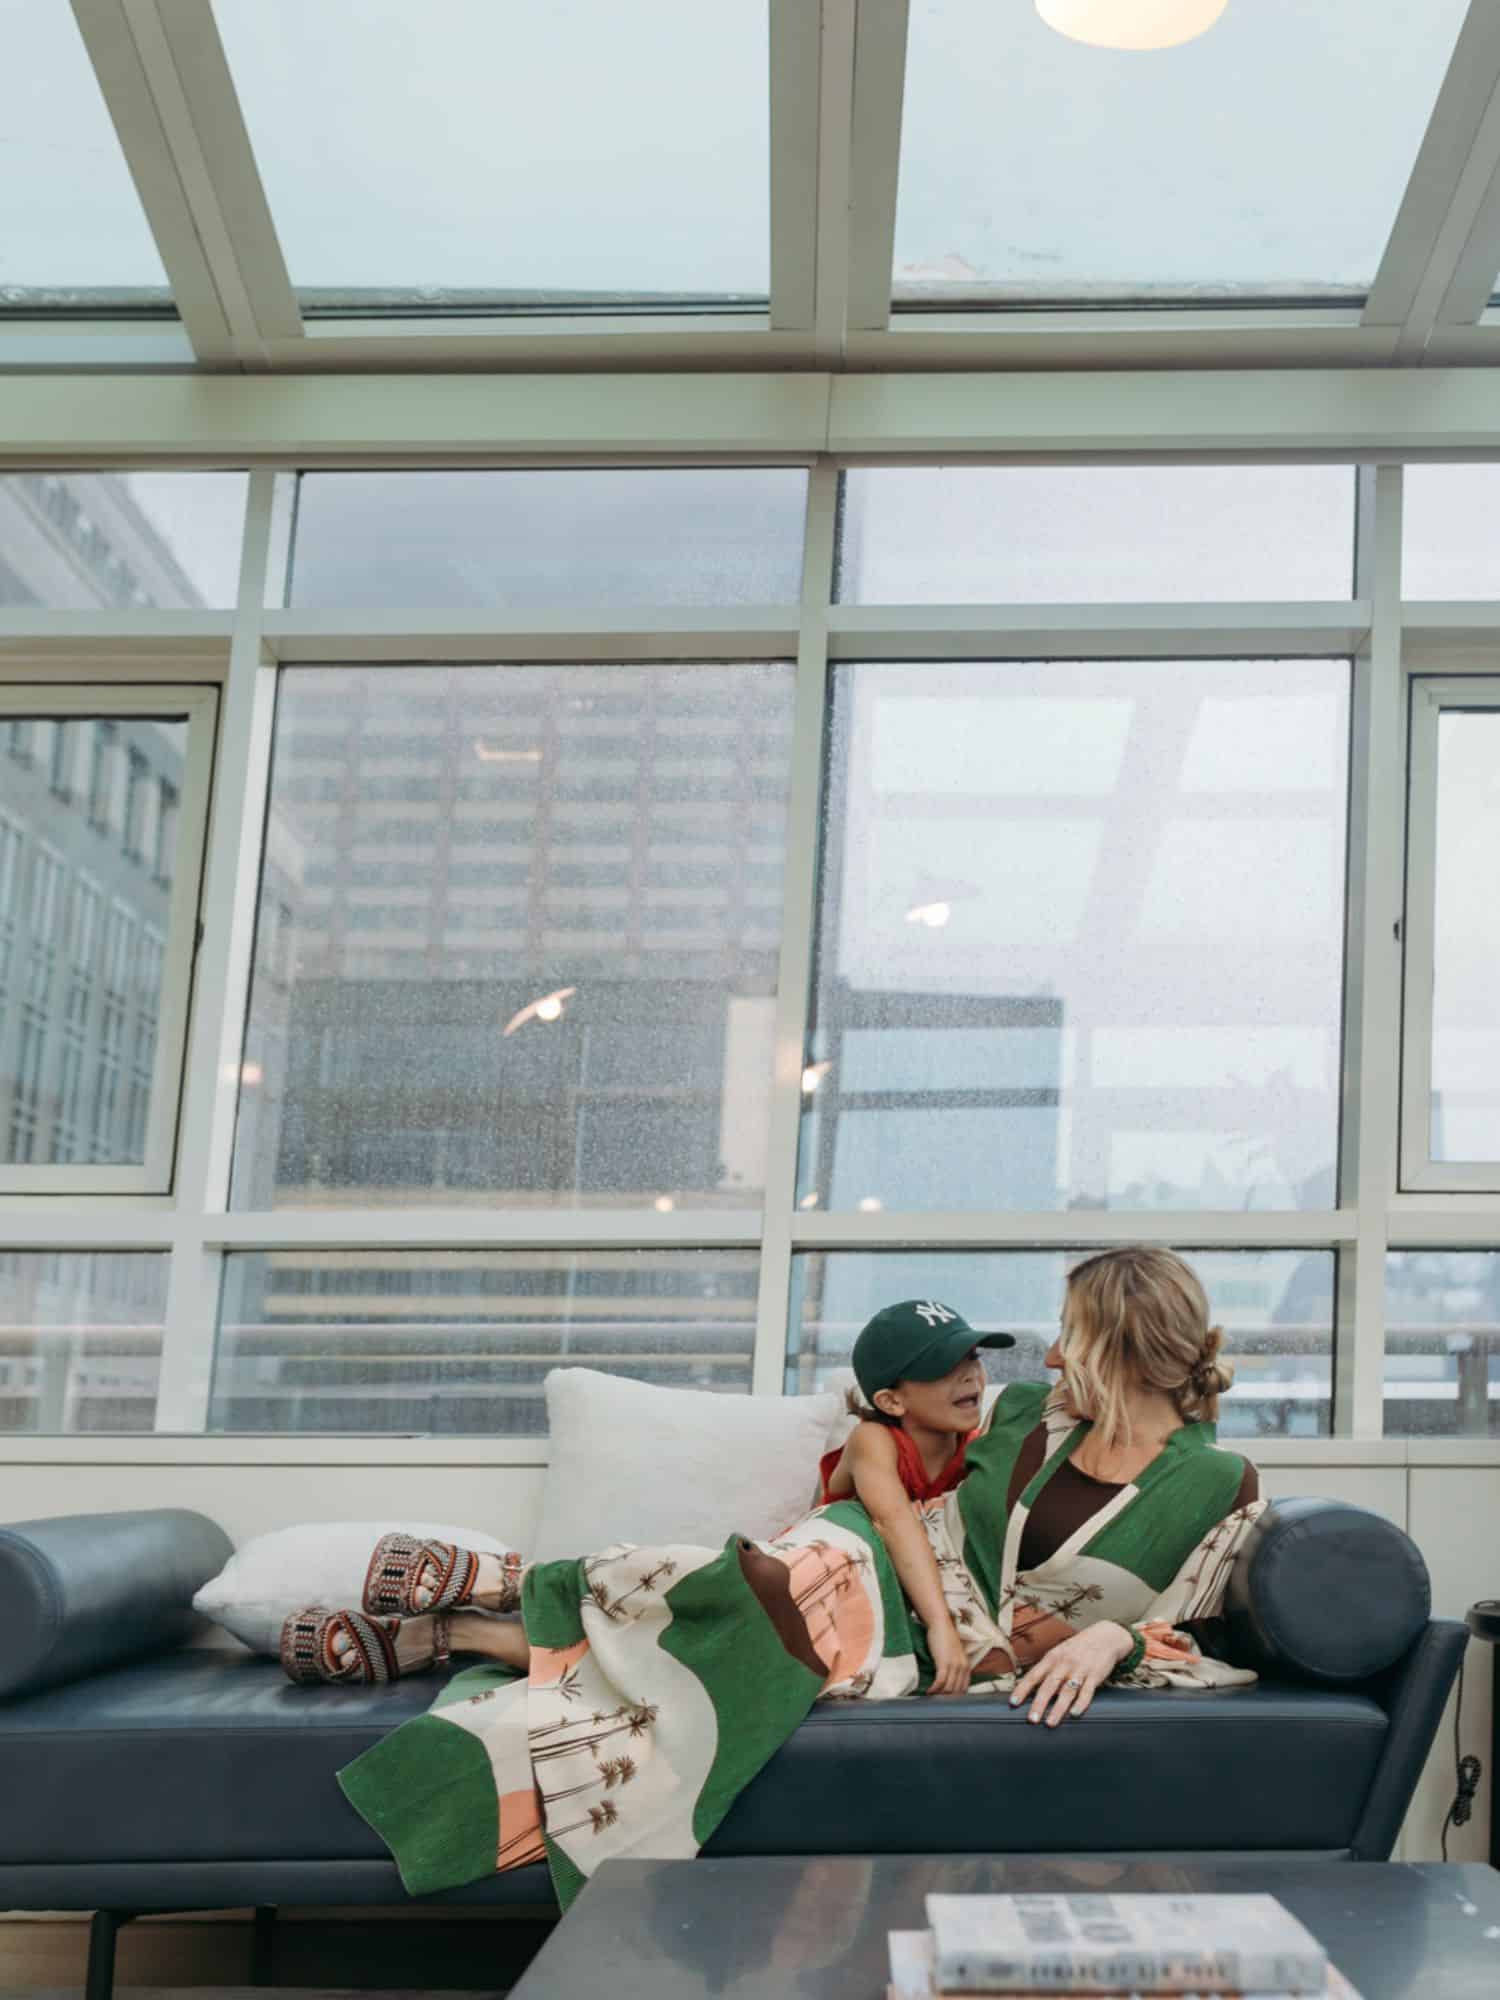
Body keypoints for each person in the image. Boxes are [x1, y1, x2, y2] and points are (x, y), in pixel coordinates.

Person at [326, 1246, 1267, 1911]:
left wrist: (1113, 1635)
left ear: (1118, 1347)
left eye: (1071, 1336)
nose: (1051, 1356)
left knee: (788, 1623)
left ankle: (465, 1622)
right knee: (787, 1579)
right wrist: (874, 1470)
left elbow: (1200, 1637)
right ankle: (494, 1592)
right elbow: (895, 1473)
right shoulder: (1025, 1411)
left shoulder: (1218, 1485)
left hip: (951, 1639)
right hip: (884, 1558)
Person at [814, 1299, 1016, 1694]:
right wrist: (942, 1626)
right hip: (850, 1575)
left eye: (972, 1356)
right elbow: (894, 1523)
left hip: (931, 1586)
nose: (970, 1375)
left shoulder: (979, 1448)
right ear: (891, 1400)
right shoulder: (873, 1440)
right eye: (944, 1368)